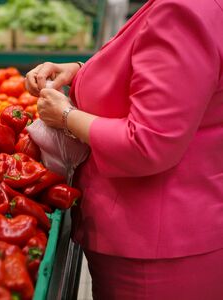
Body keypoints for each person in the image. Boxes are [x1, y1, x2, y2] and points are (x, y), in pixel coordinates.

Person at [25, 0, 223, 299]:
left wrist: (65, 116)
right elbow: (168, 83)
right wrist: (79, 71)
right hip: (164, 233)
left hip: (154, 250)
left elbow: (148, 142)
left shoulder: (183, 10)